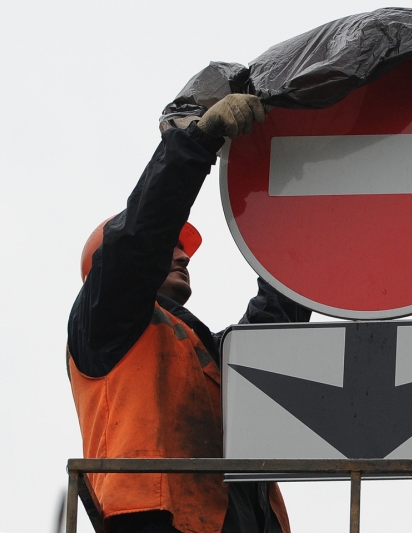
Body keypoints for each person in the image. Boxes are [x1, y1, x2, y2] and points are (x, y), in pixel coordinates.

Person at [67, 94, 311, 533]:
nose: (183, 257)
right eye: (172, 246)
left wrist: (302, 228)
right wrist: (196, 142)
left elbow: (271, 331)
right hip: (154, 521)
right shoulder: (105, 321)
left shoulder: (200, 354)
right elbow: (141, 235)